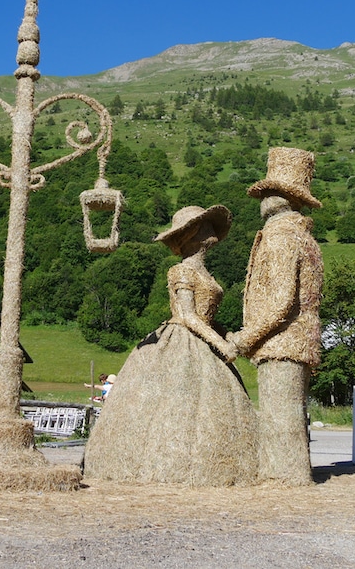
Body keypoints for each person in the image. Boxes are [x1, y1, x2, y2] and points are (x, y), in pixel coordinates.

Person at [84, 205, 258, 486]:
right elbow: (187, 315)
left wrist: (229, 337)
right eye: (202, 225)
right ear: (191, 234)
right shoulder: (181, 270)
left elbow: (206, 318)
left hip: (204, 338)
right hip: (182, 340)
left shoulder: (204, 274)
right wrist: (221, 344)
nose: (209, 231)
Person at [229, 147, 324, 485]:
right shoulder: (304, 236)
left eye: (270, 191)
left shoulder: (282, 235)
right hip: (295, 341)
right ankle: (287, 474)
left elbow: (282, 301)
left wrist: (245, 338)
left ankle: (285, 478)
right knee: (289, 415)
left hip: (281, 341)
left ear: (285, 197)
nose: (263, 197)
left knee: (280, 418)